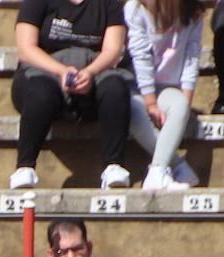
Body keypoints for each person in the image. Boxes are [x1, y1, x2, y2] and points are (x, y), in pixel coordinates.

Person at [10, 0, 133, 190]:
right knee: (41, 94)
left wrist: (90, 73)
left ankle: (114, 166)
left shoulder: (110, 3)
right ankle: (25, 167)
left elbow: (113, 50)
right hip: (44, 70)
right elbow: (26, 49)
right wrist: (61, 71)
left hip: (94, 70)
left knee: (115, 88)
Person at [123, 0, 203, 191]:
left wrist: (186, 102)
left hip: (167, 87)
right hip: (134, 85)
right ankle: (176, 166)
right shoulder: (136, 8)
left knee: (180, 105)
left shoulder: (193, 12)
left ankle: (158, 170)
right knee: (133, 109)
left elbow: (192, 57)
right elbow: (140, 56)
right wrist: (150, 103)